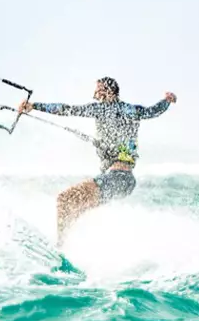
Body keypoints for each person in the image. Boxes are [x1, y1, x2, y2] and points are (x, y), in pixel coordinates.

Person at [20, 77, 177, 239]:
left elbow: (67, 109)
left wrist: (35, 106)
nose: (95, 93)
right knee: (76, 210)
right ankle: (71, 247)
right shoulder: (132, 110)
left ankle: (60, 248)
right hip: (125, 181)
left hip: (116, 177)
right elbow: (153, 111)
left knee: (64, 200)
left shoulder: (101, 109)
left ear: (108, 91)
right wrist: (166, 101)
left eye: (98, 89)